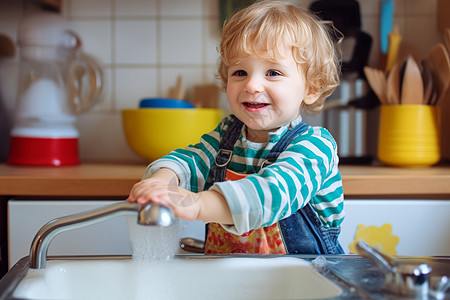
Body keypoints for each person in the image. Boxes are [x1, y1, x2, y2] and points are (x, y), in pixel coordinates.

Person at [127, 0, 344, 254]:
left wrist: (198, 204)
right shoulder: (226, 136)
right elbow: (191, 159)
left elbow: (272, 194)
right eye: (240, 72)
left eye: (273, 72)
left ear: (312, 88)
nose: (252, 85)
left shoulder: (315, 146)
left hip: (306, 282)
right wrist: (161, 180)